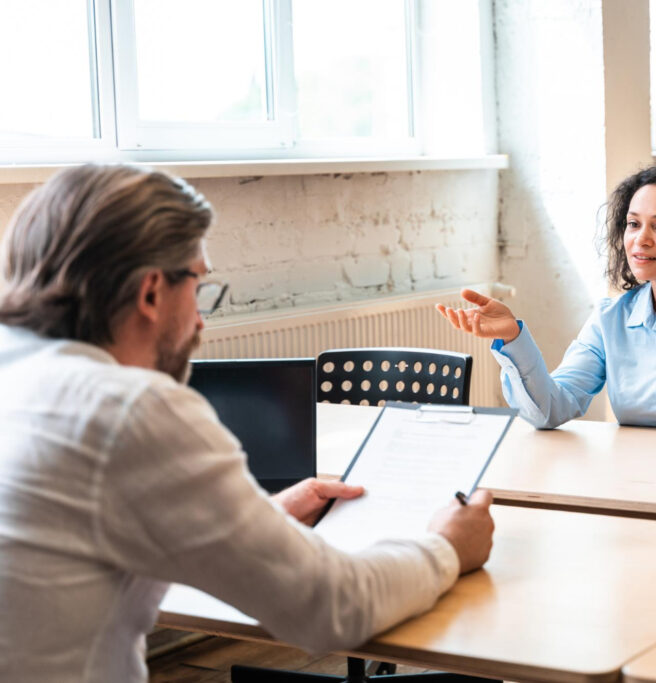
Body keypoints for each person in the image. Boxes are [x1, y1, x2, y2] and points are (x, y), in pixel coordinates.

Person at [0, 164, 495, 682]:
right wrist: (446, 547)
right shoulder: (128, 408)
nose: (200, 320)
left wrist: (263, 519)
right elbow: (330, 607)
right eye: (198, 284)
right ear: (150, 293)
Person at [437, 166, 656, 442]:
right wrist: (513, 339)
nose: (640, 239)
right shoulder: (610, 318)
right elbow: (550, 410)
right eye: (633, 224)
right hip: (630, 483)